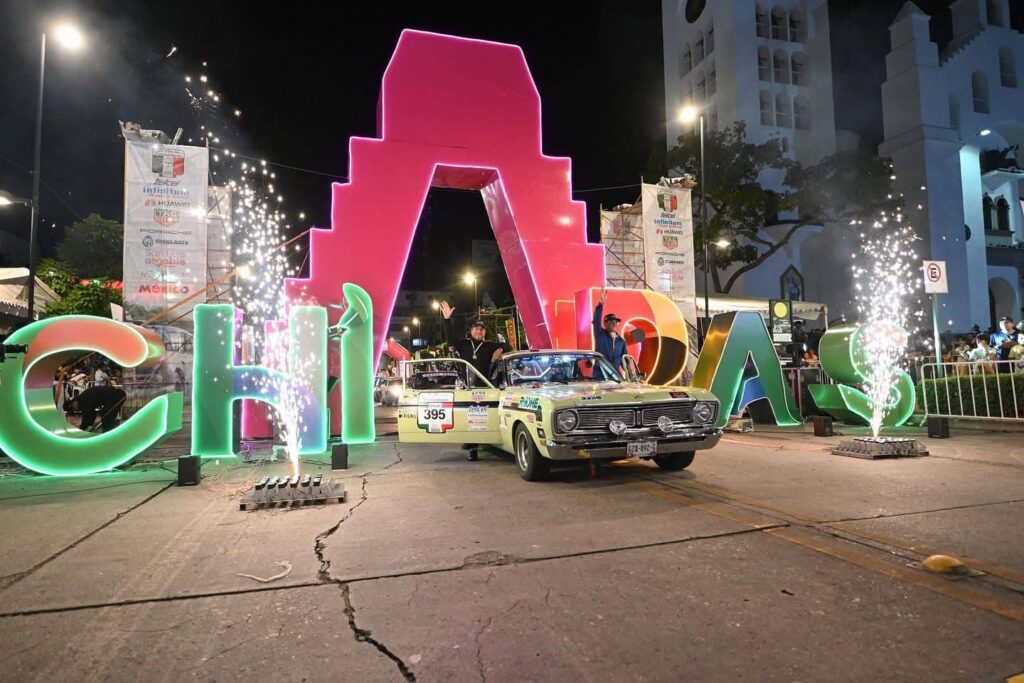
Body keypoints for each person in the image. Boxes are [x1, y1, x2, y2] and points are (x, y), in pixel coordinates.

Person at [439, 301, 504, 461]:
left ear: (484, 332)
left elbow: (508, 346)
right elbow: (450, 340)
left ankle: (478, 443)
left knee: (480, 417)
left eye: (481, 329)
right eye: (476, 328)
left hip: (485, 386)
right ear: (471, 330)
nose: (478, 331)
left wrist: (500, 350)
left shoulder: (489, 345)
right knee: (468, 416)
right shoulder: (464, 344)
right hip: (466, 386)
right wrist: (447, 320)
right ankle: (471, 447)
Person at [593, 289, 626, 379]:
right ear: (605, 323)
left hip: (615, 377)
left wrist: (630, 375)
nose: (615, 324)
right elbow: (596, 321)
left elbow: (624, 361)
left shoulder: (621, 341)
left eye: (616, 322)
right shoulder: (600, 334)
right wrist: (600, 304)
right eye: (612, 321)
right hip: (600, 377)